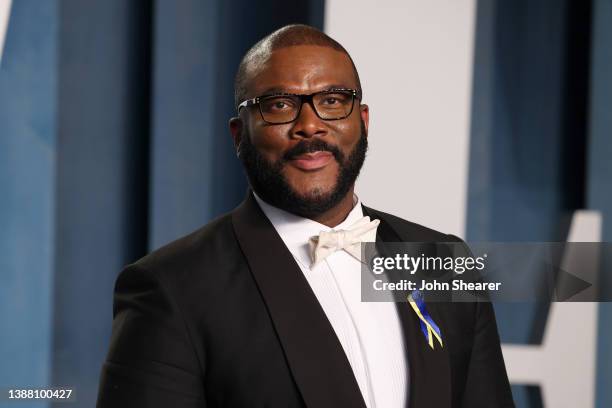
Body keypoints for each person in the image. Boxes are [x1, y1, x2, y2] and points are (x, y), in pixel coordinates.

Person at [97, 24, 514, 408]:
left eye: (333, 101)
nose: (310, 126)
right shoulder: (172, 287)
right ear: (239, 135)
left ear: (363, 122)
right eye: (279, 106)